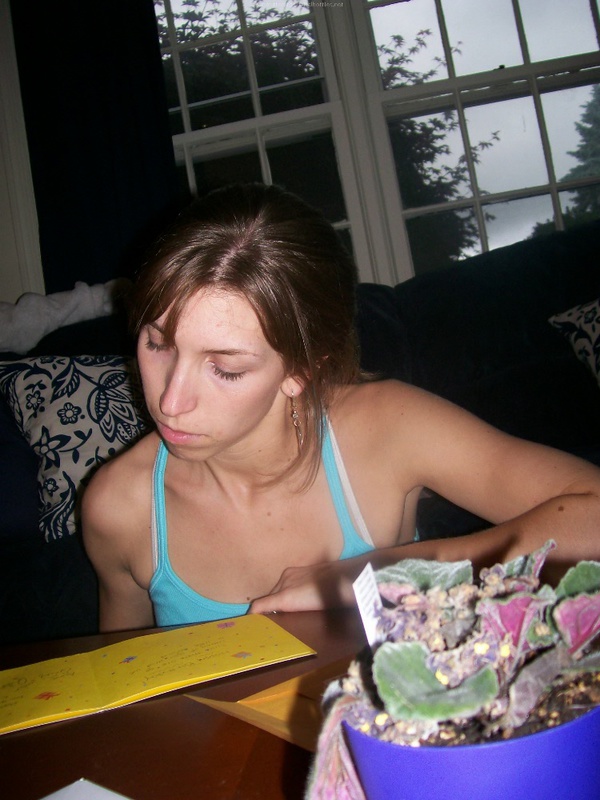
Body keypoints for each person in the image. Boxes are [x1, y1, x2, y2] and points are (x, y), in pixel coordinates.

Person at [82, 183, 600, 632]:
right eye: (158, 343)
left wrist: (384, 575)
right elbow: (119, 688)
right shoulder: (119, 507)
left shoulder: (386, 428)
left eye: (226, 368)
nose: (170, 402)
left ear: (302, 370)